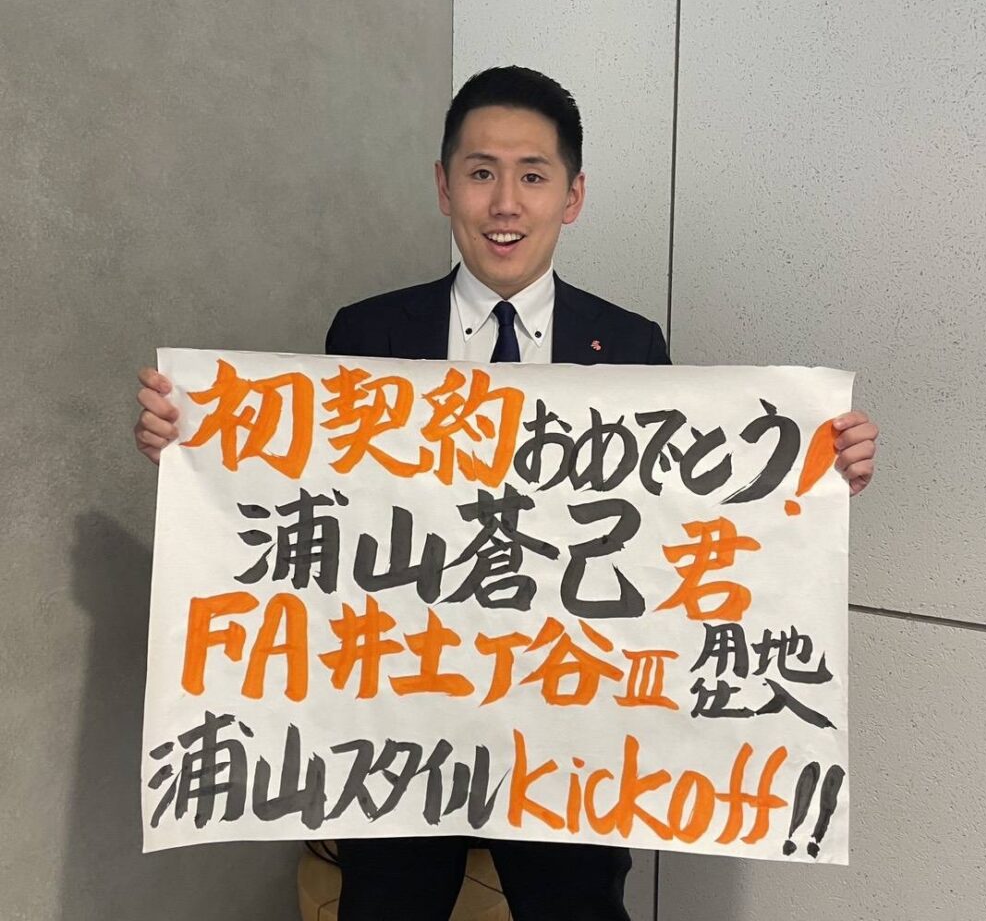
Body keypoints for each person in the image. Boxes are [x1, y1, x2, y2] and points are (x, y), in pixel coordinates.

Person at [133, 66, 879, 920]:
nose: (505, 203)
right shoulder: (369, 331)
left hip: (572, 718)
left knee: (576, 909)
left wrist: (817, 475)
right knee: (387, 907)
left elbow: (680, 520)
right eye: (481, 172)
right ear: (444, 186)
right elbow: (314, 496)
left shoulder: (630, 345)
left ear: (573, 196)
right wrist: (195, 450)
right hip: (400, 709)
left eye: (533, 175)